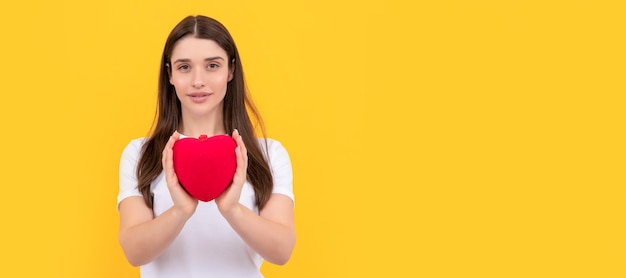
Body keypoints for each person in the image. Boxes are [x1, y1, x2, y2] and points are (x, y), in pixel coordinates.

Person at [117, 15, 295, 278]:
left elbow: (282, 251)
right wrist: (180, 211)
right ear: (170, 74)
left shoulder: (267, 154)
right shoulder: (141, 154)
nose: (198, 81)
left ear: (230, 70)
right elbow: (133, 251)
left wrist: (231, 208)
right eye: (184, 67)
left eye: (212, 65)